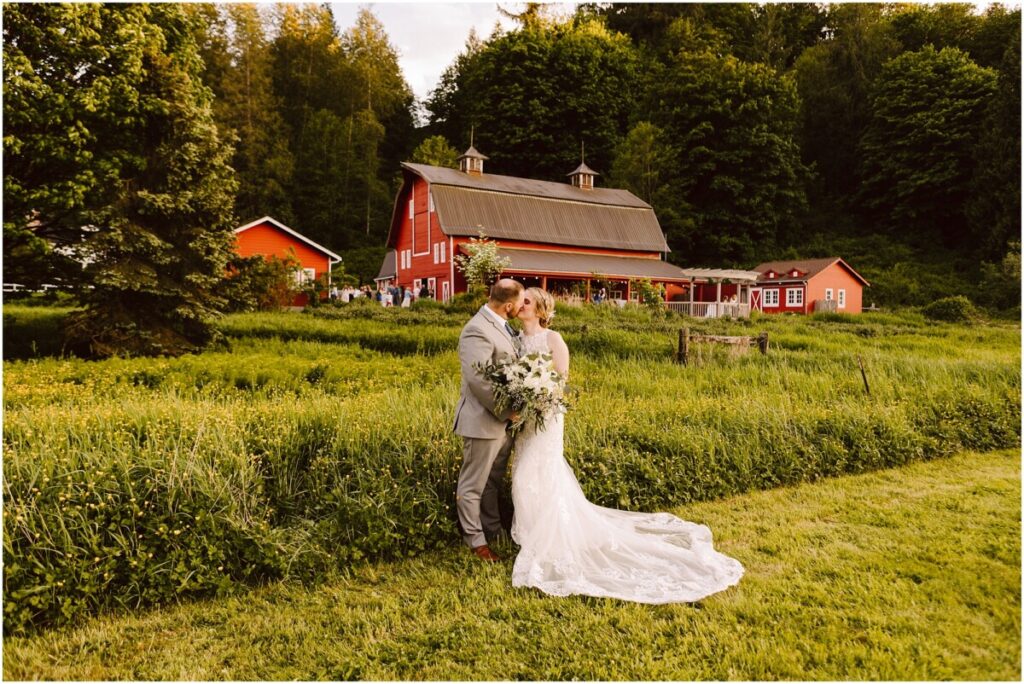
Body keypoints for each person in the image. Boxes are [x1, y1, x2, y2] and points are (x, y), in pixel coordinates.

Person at [507, 286, 744, 603]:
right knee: (524, 475)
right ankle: (532, 532)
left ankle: (548, 538)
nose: (521, 305)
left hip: (547, 417)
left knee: (536, 473)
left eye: (527, 301)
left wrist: (539, 400)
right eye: (520, 300)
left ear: (540, 309)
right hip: (525, 418)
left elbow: (561, 382)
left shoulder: (554, 340)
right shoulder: (516, 340)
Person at [453, 278, 525, 562]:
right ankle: (475, 541)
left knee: (492, 481)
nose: (522, 307)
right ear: (508, 305)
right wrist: (507, 411)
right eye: (520, 302)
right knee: (473, 484)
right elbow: (478, 379)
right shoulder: (476, 330)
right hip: (483, 420)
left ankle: (493, 530)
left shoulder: (501, 325)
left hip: (502, 423)